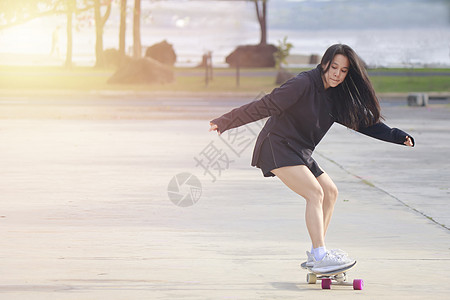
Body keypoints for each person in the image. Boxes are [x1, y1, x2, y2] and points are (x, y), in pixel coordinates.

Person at [209, 44, 415, 273]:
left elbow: (364, 123)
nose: (337, 73)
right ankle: (320, 254)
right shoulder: (303, 83)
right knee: (314, 192)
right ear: (324, 63)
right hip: (276, 145)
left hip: (300, 151)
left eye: (344, 70)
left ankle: (318, 251)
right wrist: (226, 121)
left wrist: (396, 135)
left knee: (330, 192)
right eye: (334, 67)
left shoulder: (336, 97)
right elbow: (266, 104)